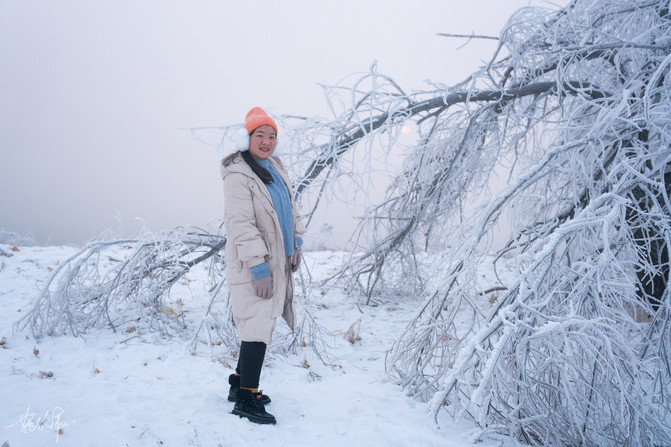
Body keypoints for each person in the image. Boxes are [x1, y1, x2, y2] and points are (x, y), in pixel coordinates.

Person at [220, 106, 307, 425]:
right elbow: (241, 224)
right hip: (253, 263)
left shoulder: (274, 168)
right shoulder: (238, 175)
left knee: (260, 322)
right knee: (257, 326)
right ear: (247, 138)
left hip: (278, 259)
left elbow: (290, 208)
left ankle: (239, 383)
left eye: (272, 136)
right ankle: (247, 397)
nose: (267, 141)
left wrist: (296, 242)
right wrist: (258, 267)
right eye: (260, 135)